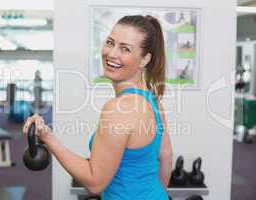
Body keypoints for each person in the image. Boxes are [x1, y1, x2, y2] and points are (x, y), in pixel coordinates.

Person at [23, 15, 173, 200]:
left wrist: (47, 137)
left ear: (144, 60)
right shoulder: (153, 100)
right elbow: (166, 156)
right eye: (110, 42)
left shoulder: (119, 109)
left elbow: (95, 183)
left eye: (125, 49)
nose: (111, 53)